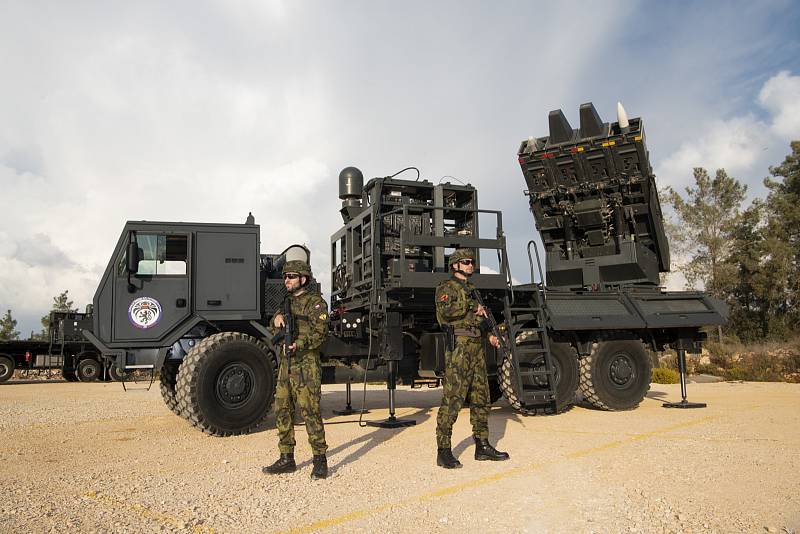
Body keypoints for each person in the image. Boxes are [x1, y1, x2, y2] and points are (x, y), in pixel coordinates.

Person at [434, 249, 510, 469]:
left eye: (472, 262)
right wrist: (471, 306)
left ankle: (482, 445)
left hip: (476, 347)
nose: (470, 265)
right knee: (453, 398)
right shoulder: (446, 287)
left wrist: (491, 334)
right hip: (459, 348)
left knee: (481, 397)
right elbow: (446, 311)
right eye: (466, 262)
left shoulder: (472, 289)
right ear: (455, 265)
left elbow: (482, 319)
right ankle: (444, 450)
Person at [262, 260, 330, 480]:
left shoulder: (315, 303)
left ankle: (320, 460)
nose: (286, 280)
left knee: (310, 412)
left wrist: (298, 344)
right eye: (285, 277)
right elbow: (274, 324)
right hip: (286, 364)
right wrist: (277, 319)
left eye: (291, 276)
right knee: (282, 409)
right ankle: (286, 458)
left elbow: (320, 334)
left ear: (303, 278)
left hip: (306, 365)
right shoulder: (286, 302)